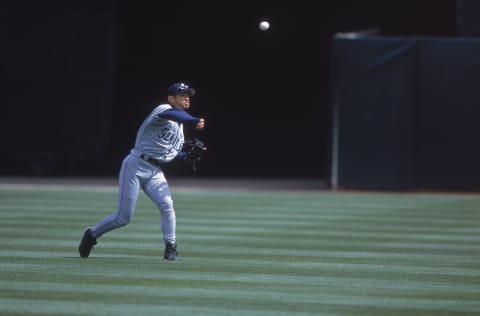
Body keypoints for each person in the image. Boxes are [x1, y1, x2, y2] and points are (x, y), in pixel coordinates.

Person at [78, 82, 205, 260]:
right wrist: (193, 120)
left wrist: (186, 156)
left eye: (188, 95)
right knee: (123, 217)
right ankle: (92, 234)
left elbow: (172, 152)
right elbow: (172, 114)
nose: (187, 98)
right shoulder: (163, 109)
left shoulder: (180, 128)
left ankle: (170, 248)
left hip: (155, 170)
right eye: (182, 95)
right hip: (135, 165)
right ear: (171, 98)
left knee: (167, 206)